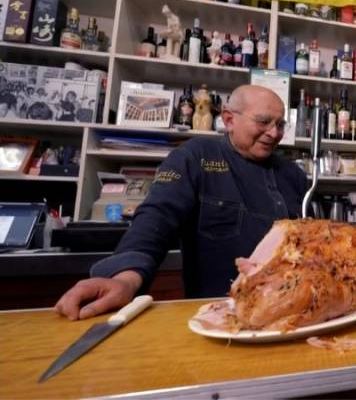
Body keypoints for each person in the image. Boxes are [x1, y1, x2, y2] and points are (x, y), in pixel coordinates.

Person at [55, 85, 307, 320]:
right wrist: (125, 279)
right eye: (263, 122)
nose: (274, 133)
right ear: (229, 119)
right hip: (219, 315)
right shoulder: (194, 157)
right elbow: (157, 217)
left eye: (280, 124)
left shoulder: (292, 174)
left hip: (290, 312)